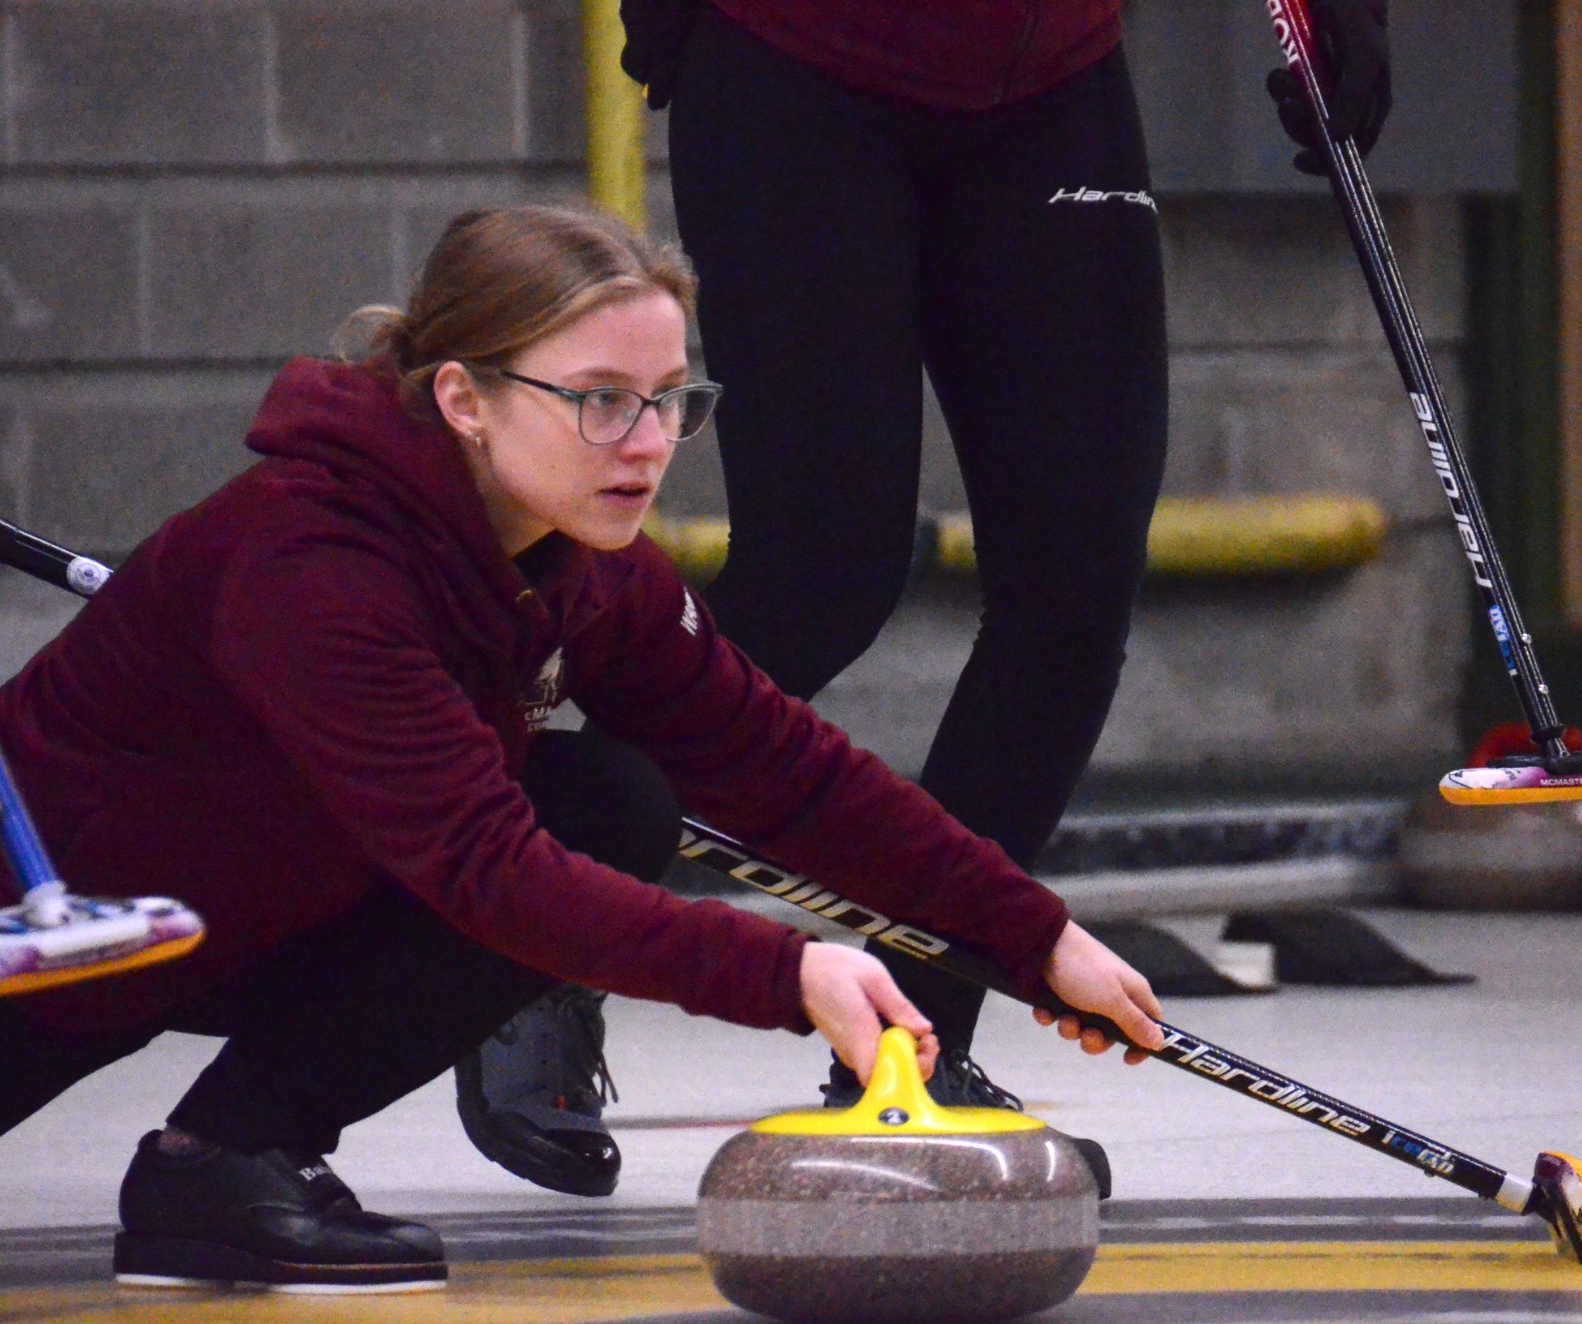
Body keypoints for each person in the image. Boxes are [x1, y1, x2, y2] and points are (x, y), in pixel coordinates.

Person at [0, 205, 1165, 1292]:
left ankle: (223, 1162)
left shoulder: (580, 562)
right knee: (546, 836)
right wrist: (788, 975)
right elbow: (483, 871)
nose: (649, 444)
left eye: (672, 403)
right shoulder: (314, 562)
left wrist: (1029, 933)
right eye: (602, 402)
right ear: (464, 399)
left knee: (604, 795)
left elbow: (783, 767)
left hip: (236, 924)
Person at [461, 0, 1391, 1197]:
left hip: (1049, 77)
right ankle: (534, 931)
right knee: (822, 575)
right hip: (799, 61)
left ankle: (916, 1049)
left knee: (1071, 595)